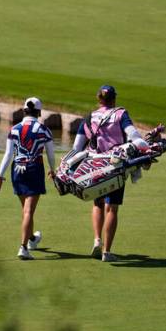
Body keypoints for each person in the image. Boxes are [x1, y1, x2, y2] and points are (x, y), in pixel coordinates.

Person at [62, 84, 150, 263]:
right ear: (114, 99)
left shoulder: (89, 118)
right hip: (115, 165)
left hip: (94, 167)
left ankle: (97, 239)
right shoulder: (120, 114)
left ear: (98, 99)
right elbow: (133, 135)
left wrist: (64, 168)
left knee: (98, 203)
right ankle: (107, 251)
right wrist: (145, 148)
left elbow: (76, 148)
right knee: (112, 208)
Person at [0, 96, 57, 260]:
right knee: (29, 210)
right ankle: (23, 247)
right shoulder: (44, 130)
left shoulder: (14, 129)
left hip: (17, 171)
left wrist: (0, 176)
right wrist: (52, 169)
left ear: (24, 111)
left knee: (26, 210)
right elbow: (51, 153)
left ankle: (32, 239)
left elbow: (8, 154)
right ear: (39, 113)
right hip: (34, 169)